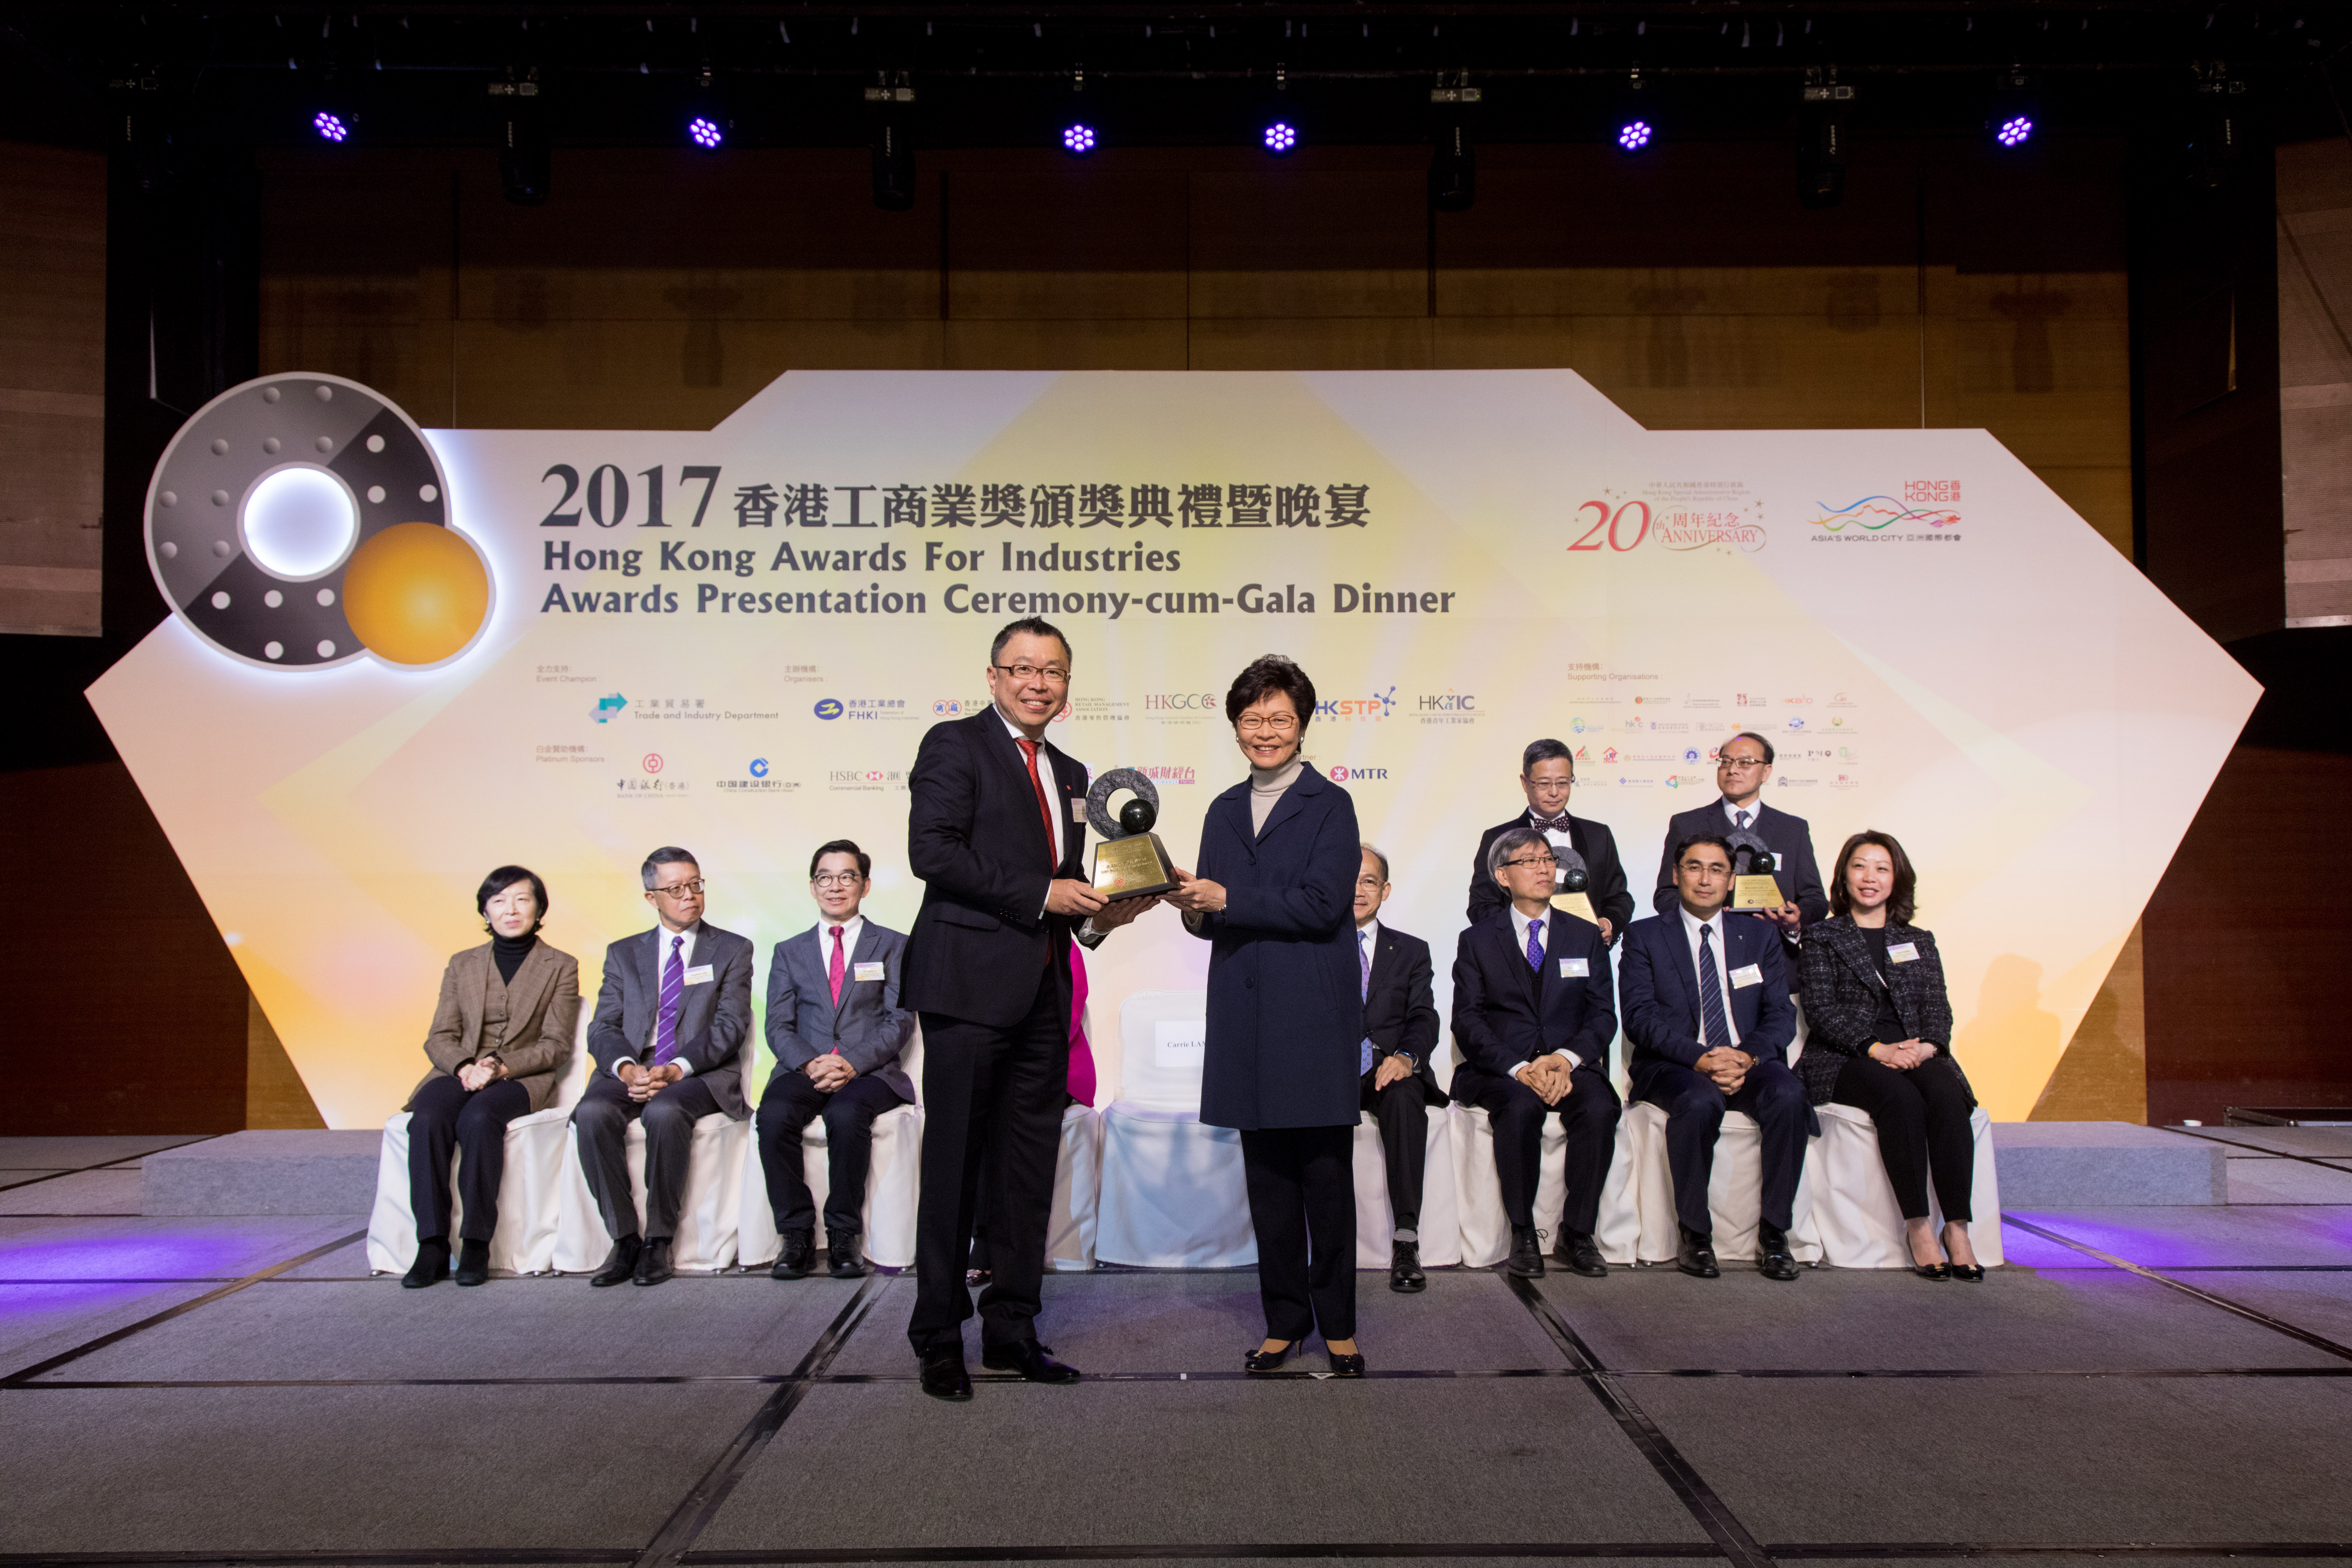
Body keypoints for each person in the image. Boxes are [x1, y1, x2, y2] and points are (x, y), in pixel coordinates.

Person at [900, 617, 1155, 1402]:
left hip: (1046, 995)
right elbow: (932, 851)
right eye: (1022, 668)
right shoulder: (955, 745)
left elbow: (1070, 891)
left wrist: (1103, 917)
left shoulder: (1074, 773)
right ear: (993, 677)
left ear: (1068, 684)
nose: (1038, 683)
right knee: (954, 1169)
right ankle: (939, 1337)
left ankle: (1012, 1329)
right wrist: (1045, 893)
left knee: (1026, 1171)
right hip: (967, 989)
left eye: (1053, 671)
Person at [1168, 655, 1366, 1377]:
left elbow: (1323, 906)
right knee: (1270, 1188)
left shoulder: (1330, 804)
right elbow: (1213, 917)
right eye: (1252, 719)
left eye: (1280, 718)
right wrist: (1190, 905)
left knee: (1325, 1182)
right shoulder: (1223, 807)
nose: (1266, 731)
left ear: (1303, 725)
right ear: (1235, 727)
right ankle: (1285, 1321)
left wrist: (1227, 900)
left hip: (1310, 1017)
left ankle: (1338, 1325)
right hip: (1245, 1017)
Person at [1620, 833, 1809, 1282]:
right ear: (1676, 874)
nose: (1705, 879)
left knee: (1789, 1095)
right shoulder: (1646, 935)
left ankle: (1775, 1234)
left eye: (1717, 869)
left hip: (1747, 1059)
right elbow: (1640, 1019)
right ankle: (1696, 1235)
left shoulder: (1760, 935)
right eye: (1694, 867)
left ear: (1732, 880)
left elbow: (1780, 1014)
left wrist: (1745, 1056)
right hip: (1675, 1064)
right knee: (1699, 1102)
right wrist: (1702, 1059)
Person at [1798, 831, 1982, 1281]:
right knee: (1901, 1099)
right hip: (1847, 1055)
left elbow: (1938, 1007)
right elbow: (1821, 1010)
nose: (1870, 877)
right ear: (1844, 876)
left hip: (1914, 1050)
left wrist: (1927, 1046)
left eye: (1882, 868)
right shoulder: (1822, 936)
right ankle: (1918, 1226)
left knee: (1947, 1094)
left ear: (1897, 878)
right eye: (1860, 866)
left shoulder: (1919, 939)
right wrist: (1877, 1049)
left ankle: (1957, 1228)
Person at [574, 847, 754, 1288]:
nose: (689, 895)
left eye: (695, 884)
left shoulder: (732, 948)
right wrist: (625, 1068)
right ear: (651, 897)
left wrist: (676, 1068)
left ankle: (658, 1238)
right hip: (635, 1065)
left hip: (699, 1071)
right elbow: (604, 1026)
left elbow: (730, 1026)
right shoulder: (623, 953)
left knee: (665, 1111)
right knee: (592, 1112)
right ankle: (624, 1239)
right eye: (676, 889)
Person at [1450, 827, 1621, 1280]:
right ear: (1502, 876)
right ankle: (1523, 1232)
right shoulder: (1478, 940)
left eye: (1548, 859)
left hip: (1569, 1063)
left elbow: (1603, 1015)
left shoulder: (1584, 935)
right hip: (1504, 1069)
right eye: (1529, 861)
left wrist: (1565, 1059)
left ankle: (1578, 1233)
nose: (1544, 869)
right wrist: (1519, 1068)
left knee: (1599, 1107)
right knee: (1520, 1107)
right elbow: (1468, 1020)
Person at [401, 866, 580, 1288]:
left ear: (539, 909)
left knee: (480, 1119)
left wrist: (500, 1067)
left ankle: (476, 1242)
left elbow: (556, 1045)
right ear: (486, 910)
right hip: (461, 1069)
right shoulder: (461, 963)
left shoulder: (561, 965)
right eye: (499, 901)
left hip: (520, 1076)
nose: (510, 910)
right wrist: (466, 1066)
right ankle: (431, 1243)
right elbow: (440, 1036)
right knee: (427, 1117)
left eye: (522, 899)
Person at [756, 839, 915, 1282]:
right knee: (773, 1115)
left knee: (846, 1115)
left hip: (870, 1071)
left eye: (847, 877)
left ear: (865, 885)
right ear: (812, 887)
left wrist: (851, 1062)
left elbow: (900, 1020)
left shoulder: (893, 945)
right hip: (804, 1066)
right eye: (825, 877)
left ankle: (844, 1235)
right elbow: (778, 1025)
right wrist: (811, 1064)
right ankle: (796, 1235)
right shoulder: (789, 951)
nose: (835, 886)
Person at [1351, 843, 1448, 1293]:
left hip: (1389, 1068)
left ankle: (1406, 1239)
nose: (1358, 890)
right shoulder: (1313, 948)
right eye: (1348, 879)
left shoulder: (1411, 950)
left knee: (1407, 1098)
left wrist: (1407, 1057)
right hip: (1331, 1069)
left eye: (1369, 881)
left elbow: (1424, 1016)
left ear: (1385, 890)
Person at [1651, 732, 1826, 972]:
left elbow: (1815, 898)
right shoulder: (1687, 824)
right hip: (1705, 957)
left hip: (1776, 959)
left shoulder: (1792, 829)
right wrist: (1703, 917)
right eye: (1725, 762)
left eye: (1745, 763)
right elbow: (1666, 894)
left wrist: (1795, 921)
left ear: (1766, 772)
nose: (1732, 770)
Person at [1466, 739, 1634, 943]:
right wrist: (1522, 933)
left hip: (1583, 950)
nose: (1554, 792)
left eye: (1563, 783)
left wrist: (1609, 922)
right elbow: (1481, 906)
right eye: (1544, 784)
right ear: (1525, 783)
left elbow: (1619, 898)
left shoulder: (1599, 835)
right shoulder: (1497, 838)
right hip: (1521, 953)